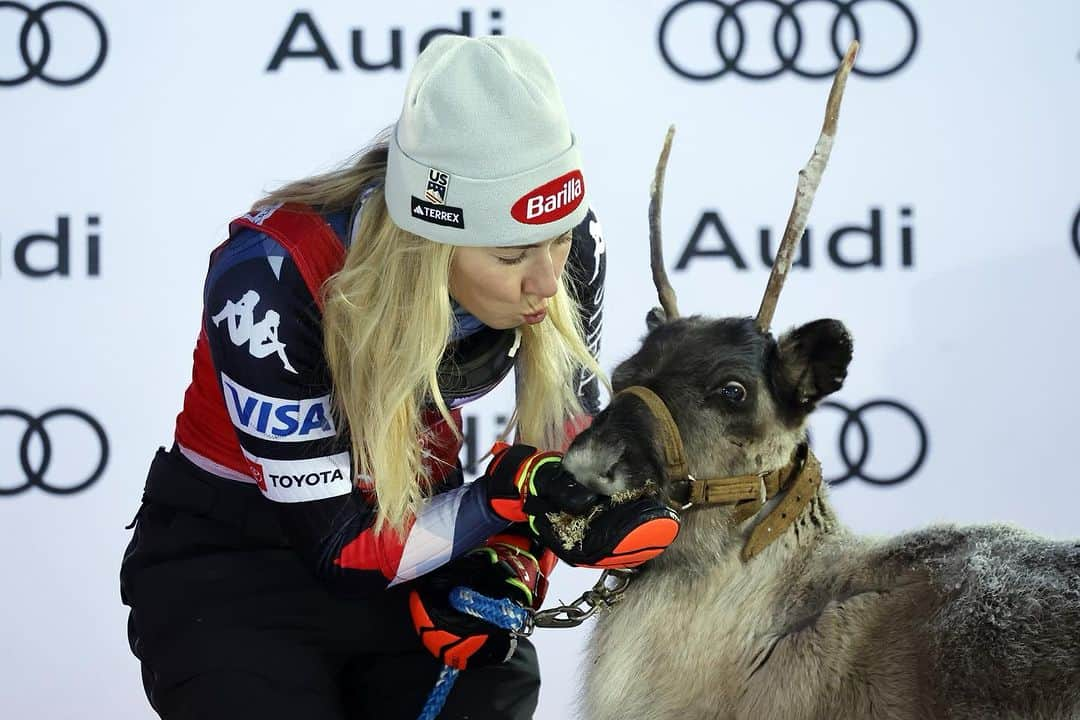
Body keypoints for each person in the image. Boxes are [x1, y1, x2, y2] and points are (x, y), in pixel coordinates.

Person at [120, 35, 679, 720]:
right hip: (240, 564)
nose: (545, 278)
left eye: (559, 237)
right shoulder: (271, 274)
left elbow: (563, 442)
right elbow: (341, 545)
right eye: (509, 255)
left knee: (490, 694)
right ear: (431, 241)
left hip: (414, 528)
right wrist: (503, 499)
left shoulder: (565, 246)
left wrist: (507, 563)